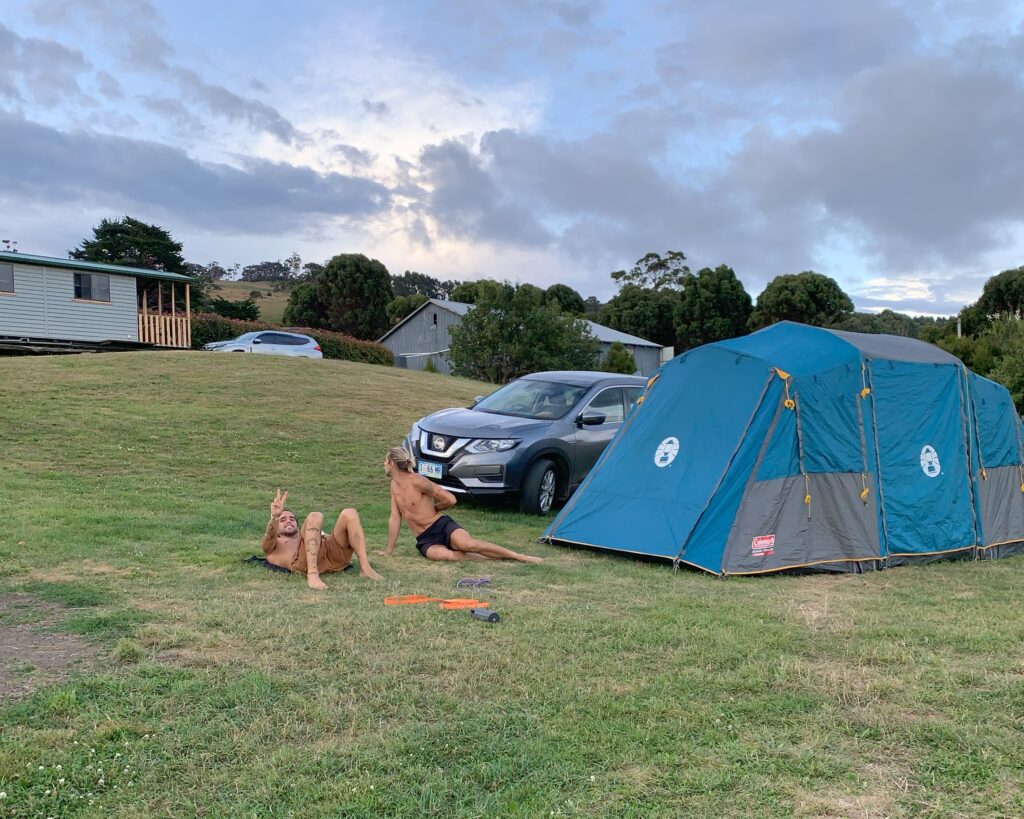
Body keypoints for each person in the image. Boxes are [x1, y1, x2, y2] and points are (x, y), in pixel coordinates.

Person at [381, 447, 543, 563]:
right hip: (425, 539)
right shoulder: (394, 485)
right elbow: (395, 517)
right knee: (449, 556)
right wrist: (389, 551)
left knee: (468, 544)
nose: (383, 464)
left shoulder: (418, 481)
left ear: (392, 463)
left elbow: (450, 499)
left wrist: (435, 509)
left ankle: (519, 557)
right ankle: (489, 558)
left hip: (440, 525)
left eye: (385, 461)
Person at [261, 489, 383, 589]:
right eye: (283, 520)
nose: (288, 521)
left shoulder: (305, 535)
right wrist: (276, 517)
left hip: (331, 557)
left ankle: (365, 568)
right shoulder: (274, 543)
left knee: (350, 513)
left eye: (292, 519)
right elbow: (269, 536)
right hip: (302, 563)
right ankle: (313, 574)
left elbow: (331, 540)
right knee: (315, 515)